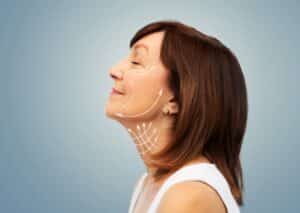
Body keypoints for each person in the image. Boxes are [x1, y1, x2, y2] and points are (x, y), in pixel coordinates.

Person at [105, 20, 248, 213]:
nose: (114, 71)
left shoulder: (187, 196)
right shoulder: (148, 183)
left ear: (178, 98)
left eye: (137, 62)